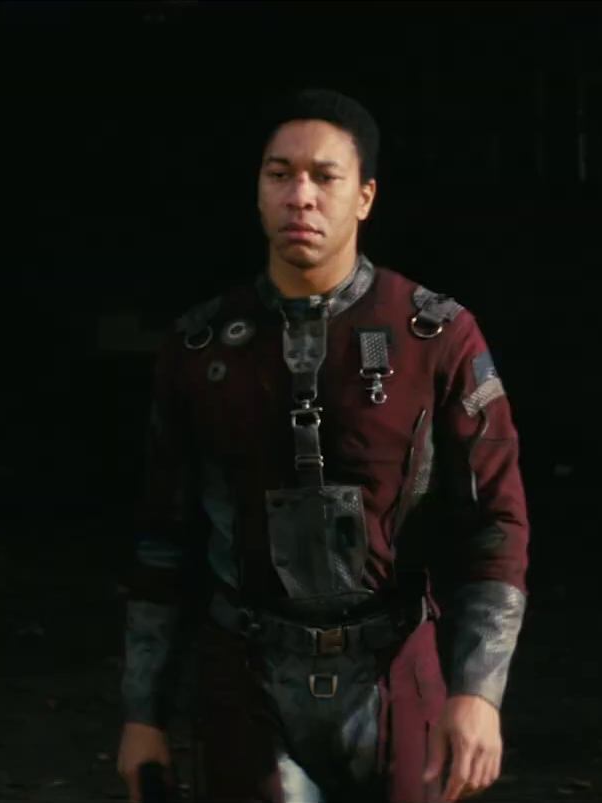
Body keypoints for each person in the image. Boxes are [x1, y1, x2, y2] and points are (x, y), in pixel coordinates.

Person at [114, 88, 530, 803]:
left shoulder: (436, 337)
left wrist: (478, 690)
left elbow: (496, 521)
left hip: (395, 671)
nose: (299, 196)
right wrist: (142, 713)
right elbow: (163, 541)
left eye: (324, 176)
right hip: (246, 677)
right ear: (257, 191)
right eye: (279, 174)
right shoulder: (201, 347)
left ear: (364, 196)